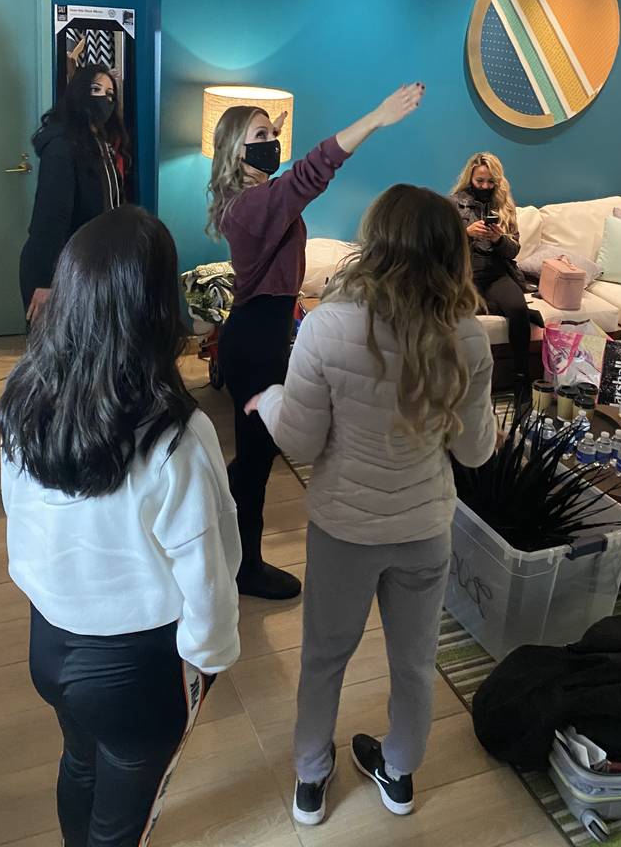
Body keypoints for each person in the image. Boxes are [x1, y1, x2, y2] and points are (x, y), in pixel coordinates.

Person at [245, 185, 497, 824]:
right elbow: (475, 454)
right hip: (423, 529)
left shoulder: (327, 325)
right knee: (415, 663)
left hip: (344, 530)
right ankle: (400, 772)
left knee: (324, 657)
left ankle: (310, 779)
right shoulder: (468, 337)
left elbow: (301, 440)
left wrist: (271, 398)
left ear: (376, 243)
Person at [0, 206, 241, 847]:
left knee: (79, 760)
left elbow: (17, 517)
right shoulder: (179, 437)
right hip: (136, 667)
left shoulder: (22, 399)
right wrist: (211, 658)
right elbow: (211, 567)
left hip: (47, 643)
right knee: (125, 815)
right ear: (160, 310)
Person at [206, 83, 425, 601]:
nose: (271, 141)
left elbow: (285, 189)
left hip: (266, 329)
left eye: (271, 133)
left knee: (256, 455)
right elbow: (310, 172)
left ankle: (219, 533)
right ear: (235, 150)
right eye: (258, 136)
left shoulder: (254, 198)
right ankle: (244, 568)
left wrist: (266, 136)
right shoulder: (249, 207)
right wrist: (373, 117)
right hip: (255, 339)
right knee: (259, 461)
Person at [19, 65, 129, 323]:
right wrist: (46, 282)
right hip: (61, 266)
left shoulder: (100, 143)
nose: (104, 99)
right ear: (79, 93)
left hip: (92, 260)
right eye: (95, 89)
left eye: (110, 94)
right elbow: (50, 218)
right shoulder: (62, 146)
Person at [451, 151, 535, 395]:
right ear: (470, 178)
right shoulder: (453, 203)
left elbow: (513, 251)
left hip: (497, 272)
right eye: (480, 181)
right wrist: (467, 234)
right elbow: (444, 247)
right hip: (465, 273)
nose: (485, 186)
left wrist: (499, 239)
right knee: (456, 309)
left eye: (490, 182)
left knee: (518, 310)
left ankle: (521, 378)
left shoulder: (505, 205)